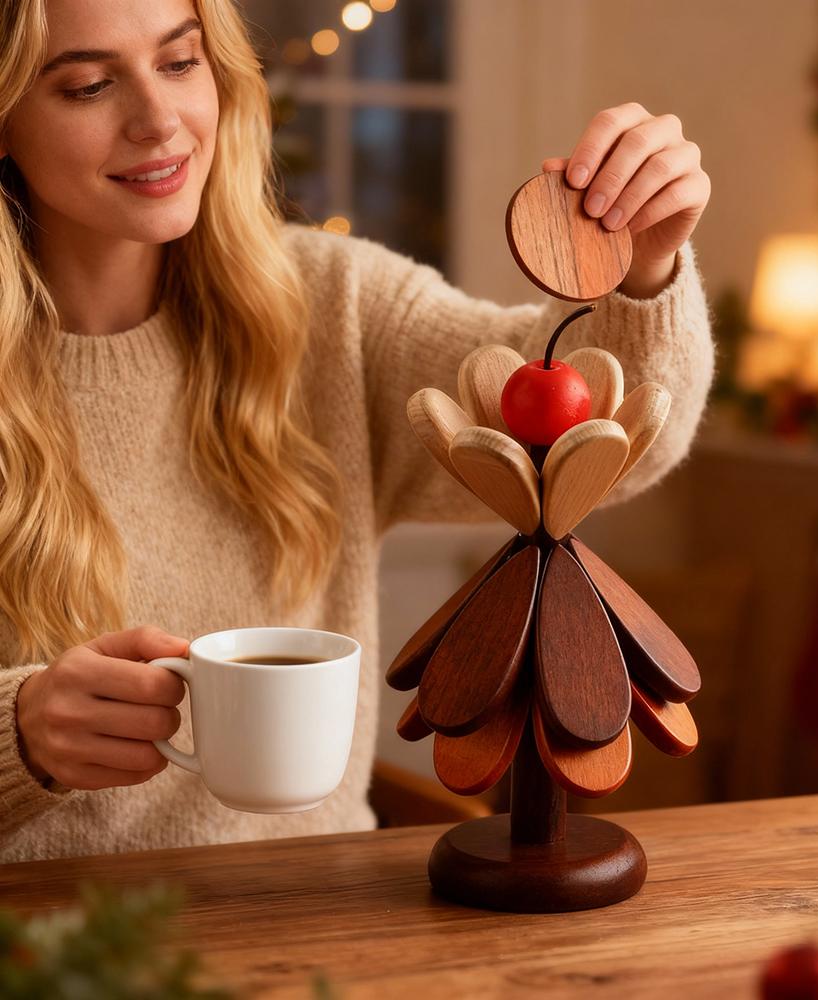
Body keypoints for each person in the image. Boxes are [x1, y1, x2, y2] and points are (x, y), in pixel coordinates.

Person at [0, 0, 714, 863]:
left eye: (181, 64)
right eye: (87, 85)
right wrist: (20, 739)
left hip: (326, 933)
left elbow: (604, 442)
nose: (159, 121)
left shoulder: (334, 309)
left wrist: (643, 272)